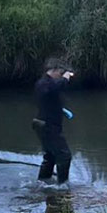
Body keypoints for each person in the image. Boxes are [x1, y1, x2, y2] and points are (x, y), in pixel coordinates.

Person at [33, 58, 75, 186]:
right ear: (55, 70)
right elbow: (54, 89)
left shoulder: (46, 84)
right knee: (64, 155)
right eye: (60, 73)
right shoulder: (44, 83)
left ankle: (43, 182)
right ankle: (62, 187)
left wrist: (60, 109)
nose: (61, 76)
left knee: (50, 156)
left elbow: (49, 98)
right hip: (47, 126)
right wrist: (66, 78)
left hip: (44, 124)